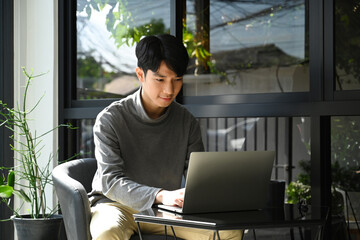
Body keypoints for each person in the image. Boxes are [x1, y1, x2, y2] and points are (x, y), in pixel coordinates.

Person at [88, 34, 242, 240]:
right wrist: (161, 195)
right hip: (116, 207)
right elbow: (111, 181)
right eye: (160, 79)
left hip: (165, 212)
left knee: (229, 232)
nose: (170, 90)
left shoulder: (187, 121)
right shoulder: (110, 119)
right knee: (107, 233)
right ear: (140, 75)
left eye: (177, 80)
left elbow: (198, 180)